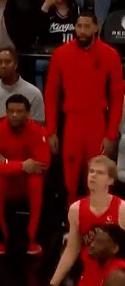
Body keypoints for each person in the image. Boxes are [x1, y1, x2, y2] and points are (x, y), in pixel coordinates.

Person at [38, 156, 125, 286]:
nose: (93, 175)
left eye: (100, 173)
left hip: (115, 275)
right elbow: (71, 250)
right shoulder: (76, 209)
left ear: (110, 180)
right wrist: (52, 285)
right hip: (91, 277)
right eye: (91, 171)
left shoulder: (121, 209)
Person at [44, 11, 124, 206]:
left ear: (96, 28)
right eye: (79, 26)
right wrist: (51, 130)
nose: (81, 31)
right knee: (70, 177)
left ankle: (97, 218)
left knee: (98, 175)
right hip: (71, 121)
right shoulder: (60, 54)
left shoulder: (110, 55)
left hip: (97, 121)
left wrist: (111, 133)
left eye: (86, 26)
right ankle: (72, 218)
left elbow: (116, 98)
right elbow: (51, 95)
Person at [0, 94, 50, 255]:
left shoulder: (38, 131)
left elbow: (43, 164)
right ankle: (0, 238)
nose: (14, 115)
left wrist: (4, 162)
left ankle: (33, 239)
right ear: (5, 112)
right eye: (10, 111)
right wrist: (22, 165)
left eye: (19, 111)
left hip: (26, 183)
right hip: (5, 182)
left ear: (28, 113)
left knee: (37, 180)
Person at [0, 48, 44, 124]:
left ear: (16, 65)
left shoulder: (34, 93)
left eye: (7, 62)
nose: (3, 65)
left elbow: (39, 126)